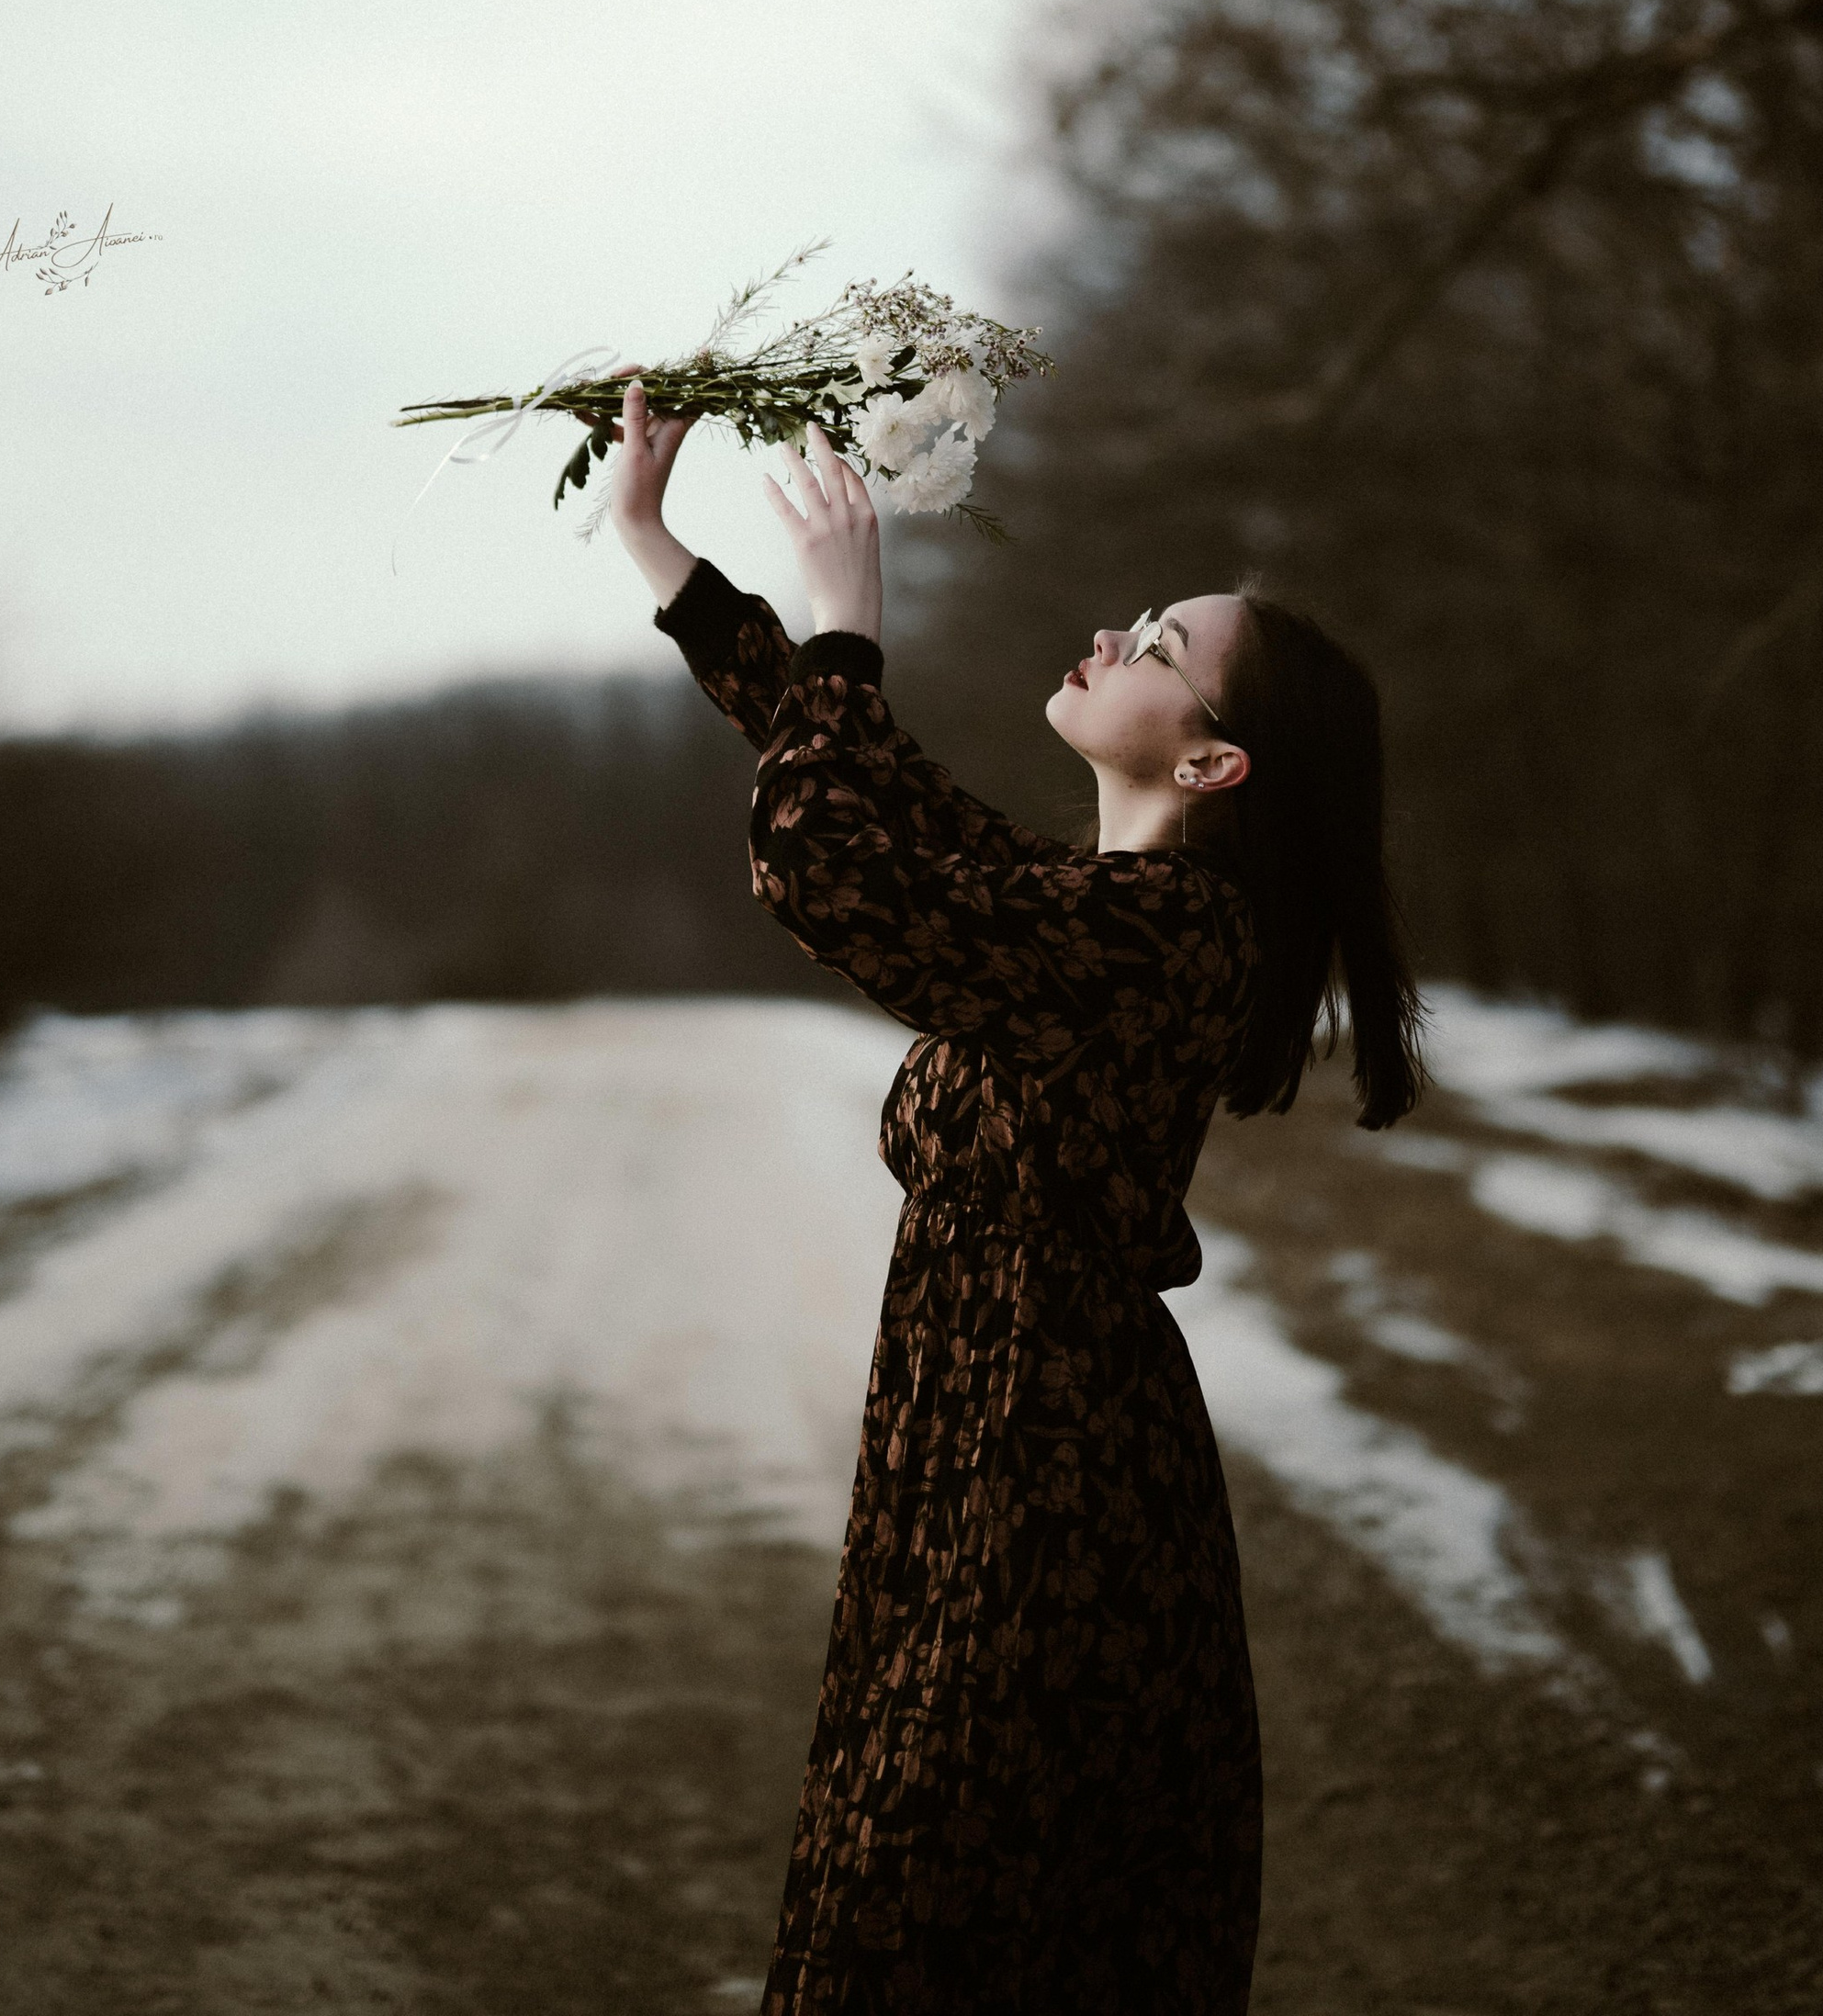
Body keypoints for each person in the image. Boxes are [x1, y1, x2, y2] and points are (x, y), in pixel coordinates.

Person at [608, 379, 1426, 2016]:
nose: (1113, 638)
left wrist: (851, 632)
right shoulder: (1090, 905)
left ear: (1213, 758)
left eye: (1164, 649)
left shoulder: (1170, 941)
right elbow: (878, 796)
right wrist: (660, 549)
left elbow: (830, 861)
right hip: (977, 1455)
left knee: (924, 1934)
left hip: (1050, 1493)